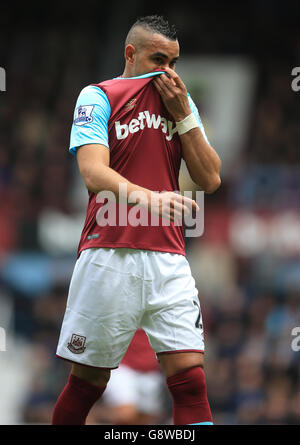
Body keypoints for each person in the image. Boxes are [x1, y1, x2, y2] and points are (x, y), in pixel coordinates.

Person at [52, 14, 221, 426]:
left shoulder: (179, 101)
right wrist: (153, 200)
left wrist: (183, 114)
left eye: (174, 62)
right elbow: (93, 172)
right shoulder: (97, 96)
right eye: (158, 59)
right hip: (110, 251)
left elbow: (210, 178)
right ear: (131, 54)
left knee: (191, 382)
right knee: (87, 384)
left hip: (168, 257)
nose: (168, 72)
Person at [99, 328, 167, 425]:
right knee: (126, 414)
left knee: (146, 419)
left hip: (151, 372)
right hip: (123, 367)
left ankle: (96, 415)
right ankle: (93, 416)